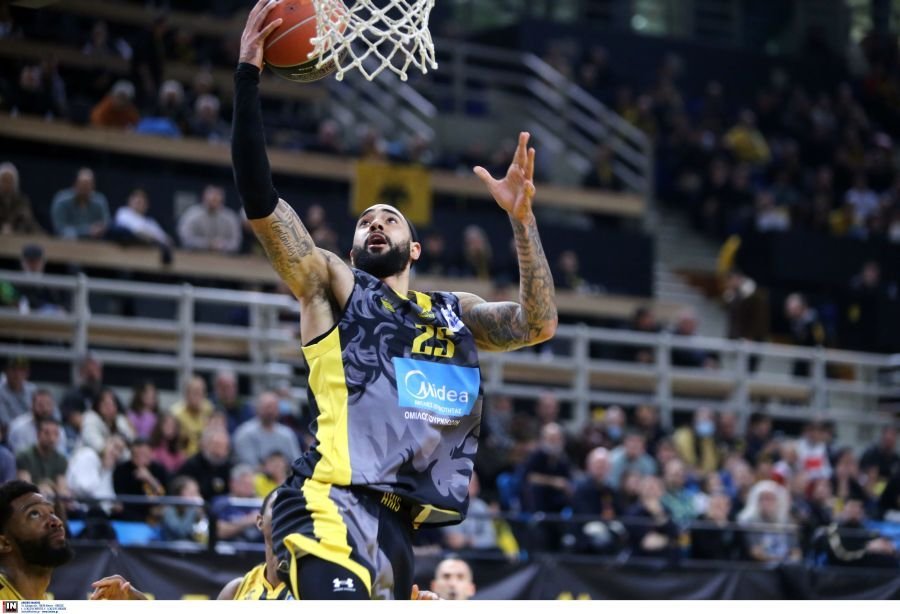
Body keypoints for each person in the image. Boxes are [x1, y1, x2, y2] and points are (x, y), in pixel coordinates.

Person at [232, 0, 557, 600]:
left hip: (400, 529)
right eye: (365, 223)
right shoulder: (333, 285)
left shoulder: (453, 312)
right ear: (353, 251)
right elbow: (262, 202)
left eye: (390, 219)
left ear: (415, 249)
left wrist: (522, 220)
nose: (376, 224)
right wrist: (248, 77)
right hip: (331, 501)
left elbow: (537, 324)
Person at [0, 480, 146, 600]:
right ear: (4, 543)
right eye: (34, 514)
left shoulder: (44, 606)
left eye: (52, 512)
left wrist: (135, 602)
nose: (56, 521)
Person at [177, 185, 242, 253]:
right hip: (197, 255)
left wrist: (222, 245)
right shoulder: (192, 214)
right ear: (204, 198)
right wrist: (207, 243)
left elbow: (236, 242)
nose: (214, 201)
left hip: (223, 257)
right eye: (211, 199)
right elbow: (185, 237)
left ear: (222, 200)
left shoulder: (230, 217)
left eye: (216, 200)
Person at [50, 168, 110, 239]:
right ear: (75, 184)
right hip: (66, 242)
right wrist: (88, 231)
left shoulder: (99, 201)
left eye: (88, 185)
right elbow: (60, 228)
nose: (85, 188)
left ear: (93, 186)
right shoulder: (62, 200)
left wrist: (100, 229)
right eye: (83, 185)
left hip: (94, 242)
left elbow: (105, 224)